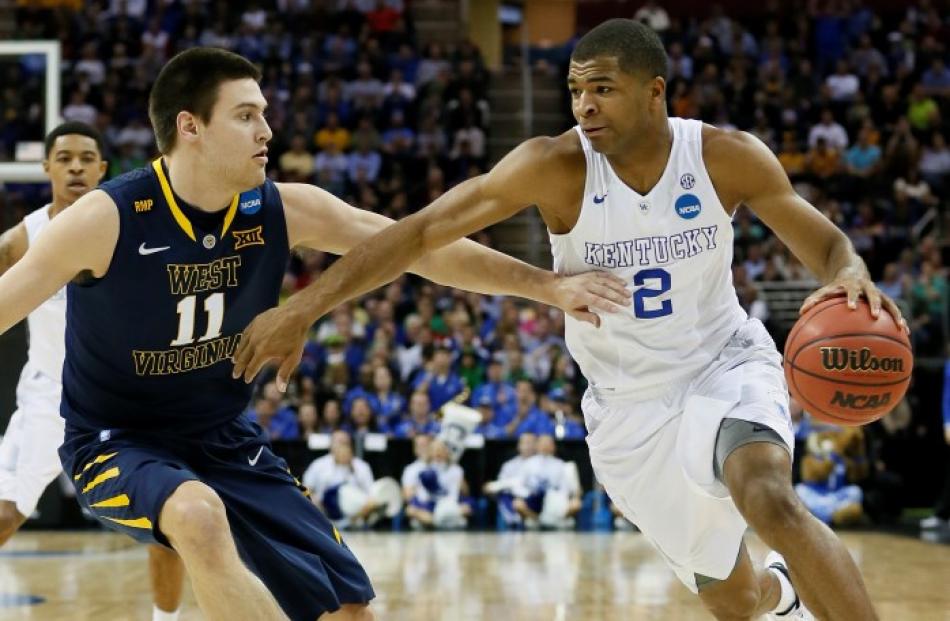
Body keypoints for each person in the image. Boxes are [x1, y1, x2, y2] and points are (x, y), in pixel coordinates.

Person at [234, 20, 910, 621]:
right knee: (735, 599)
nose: (585, 106)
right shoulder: (554, 166)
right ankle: (781, 596)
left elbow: (824, 243)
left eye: (604, 89)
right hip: (626, 412)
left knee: (769, 498)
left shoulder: (723, 157)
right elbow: (421, 231)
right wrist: (304, 307)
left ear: (655, 91)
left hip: (723, 362)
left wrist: (850, 271)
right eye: (576, 90)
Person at [0, 47, 627, 621]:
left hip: (224, 437)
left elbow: (420, 247)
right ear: (190, 126)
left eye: (263, 114)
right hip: (115, 442)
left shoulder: (281, 208)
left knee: (348, 613)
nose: (267, 131)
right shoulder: (105, 219)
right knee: (196, 514)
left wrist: (546, 287)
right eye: (246, 116)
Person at [0, 122, 187, 621]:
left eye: (87, 157)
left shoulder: (135, 229)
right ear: (46, 168)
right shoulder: (24, 239)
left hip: (124, 394)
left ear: (103, 168)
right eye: (65, 158)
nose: (76, 166)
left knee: (167, 520)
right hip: (48, 396)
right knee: (3, 514)